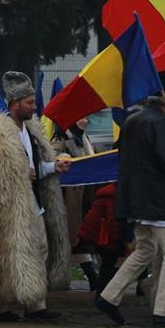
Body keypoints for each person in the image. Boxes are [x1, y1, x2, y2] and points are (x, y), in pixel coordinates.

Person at [0, 71, 70, 321]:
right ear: (15, 103)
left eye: (33, 102)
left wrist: (53, 167)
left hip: (33, 202)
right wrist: (16, 175)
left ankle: (35, 304)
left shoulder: (32, 131)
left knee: (40, 247)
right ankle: (1, 305)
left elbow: (33, 167)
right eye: (29, 102)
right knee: (5, 255)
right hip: (7, 206)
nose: (34, 106)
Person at [93, 77, 165, 328]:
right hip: (160, 199)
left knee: (145, 250)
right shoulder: (161, 122)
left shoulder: (133, 120)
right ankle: (163, 310)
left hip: (138, 198)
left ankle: (108, 296)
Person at [52, 118, 100, 290]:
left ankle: (94, 278)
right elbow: (53, 159)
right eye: (80, 117)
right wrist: (63, 158)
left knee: (84, 237)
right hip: (71, 198)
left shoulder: (85, 138)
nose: (85, 121)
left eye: (87, 117)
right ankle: (93, 278)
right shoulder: (60, 139)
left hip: (87, 195)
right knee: (76, 237)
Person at [75, 182, 125, 292]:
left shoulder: (111, 193)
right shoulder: (114, 196)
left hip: (96, 233)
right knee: (110, 261)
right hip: (100, 234)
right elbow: (114, 221)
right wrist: (119, 242)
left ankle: (101, 290)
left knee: (109, 262)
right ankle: (103, 293)